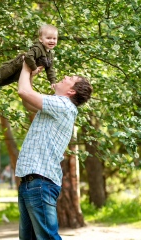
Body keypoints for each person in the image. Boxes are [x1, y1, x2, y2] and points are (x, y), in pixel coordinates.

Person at [15, 62, 93, 240]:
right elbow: (27, 101)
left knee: (47, 238)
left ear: (71, 91)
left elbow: (23, 92)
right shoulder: (56, 106)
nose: (65, 77)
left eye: (69, 78)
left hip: (40, 182)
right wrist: (31, 76)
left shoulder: (63, 105)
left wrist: (26, 67)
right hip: (30, 181)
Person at [0, 24, 58, 91]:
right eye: (48, 38)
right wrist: (34, 68)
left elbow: (50, 68)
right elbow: (29, 57)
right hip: (17, 65)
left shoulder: (49, 54)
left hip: (22, 71)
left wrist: (52, 81)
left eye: (54, 38)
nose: (52, 41)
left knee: (2, 82)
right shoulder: (38, 48)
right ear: (41, 39)